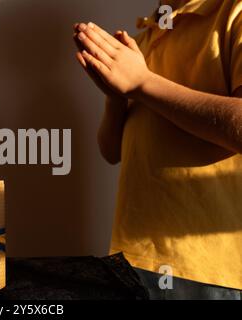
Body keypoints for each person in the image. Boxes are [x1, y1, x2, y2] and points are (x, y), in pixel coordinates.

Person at [74, 0, 242, 299]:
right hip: (131, 258)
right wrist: (116, 97)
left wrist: (142, 82)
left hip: (206, 269)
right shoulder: (144, 37)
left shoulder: (234, 12)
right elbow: (111, 152)